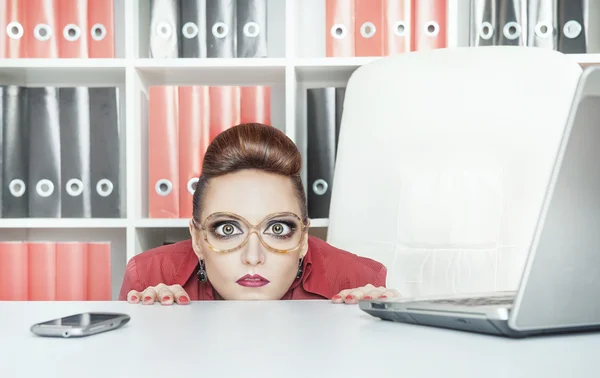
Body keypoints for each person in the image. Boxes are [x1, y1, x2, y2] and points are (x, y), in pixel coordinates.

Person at [119, 122, 399, 305]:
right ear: (197, 239)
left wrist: (385, 335)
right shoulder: (148, 277)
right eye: (227, 229)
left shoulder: (359, 280)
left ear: (303, 238)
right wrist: (149, 335)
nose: (253, 257)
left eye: (278, 229)